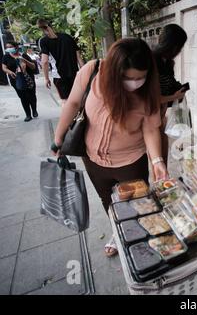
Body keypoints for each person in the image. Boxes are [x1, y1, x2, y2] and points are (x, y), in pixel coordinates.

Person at [51, 38, 168, 257]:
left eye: (140, 77)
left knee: (135, 206)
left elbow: (151, 129)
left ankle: (136, 236)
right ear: (115, 72)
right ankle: (119, 232)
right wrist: (58, 138)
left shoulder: (149, 90)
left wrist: (157, 161)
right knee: (109, 204)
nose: (135, 83)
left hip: (131, 163)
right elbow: (73, 103)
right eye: (128, 78)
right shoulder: (93, 71)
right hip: (93, 160)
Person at [153, 24, 188, 164]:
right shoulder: (151, 61)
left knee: (163, 159)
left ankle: (163, 183)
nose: (179, 51)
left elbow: (169, 84)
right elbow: (150, 98)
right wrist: (175, 97)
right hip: (149, 118)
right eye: (179, 47)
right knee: (157, 160)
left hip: (161, 116)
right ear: (172, 46)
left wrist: (179, 89)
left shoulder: (168, 62)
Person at [37, 19, 85, 104]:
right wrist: (84, 73)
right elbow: (79, 58)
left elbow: (44, 61)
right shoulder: (67, 37)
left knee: (65, 101)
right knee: (79, 99)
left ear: (42, 29)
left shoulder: (44, 41)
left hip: (59, 76)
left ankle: (70, 117)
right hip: (74, 74)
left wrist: (47, 78)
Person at [1, 41, 38, 121]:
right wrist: (10, 72)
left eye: (10, 47)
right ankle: (28, 115)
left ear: (16, 47)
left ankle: (34, 110)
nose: (8, 49)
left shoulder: (23, 55)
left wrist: (24, 60)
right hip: (16, 80)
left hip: (28, 78)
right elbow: (4, 67)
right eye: (7, 47)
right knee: (23, 97)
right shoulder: (6, 57)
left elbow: (33, 66)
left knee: (31, 95)